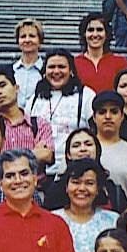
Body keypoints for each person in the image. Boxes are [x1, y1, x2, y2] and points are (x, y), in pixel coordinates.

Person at [24, 50, 94, 178]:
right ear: (44, 71)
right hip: (39, 172)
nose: (56, 71)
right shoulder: (34, 99)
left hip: (74, 171)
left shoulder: (86, 96)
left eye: (61, 67)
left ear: (71, 71)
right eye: (51, 67)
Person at [0, 66, 54, 171]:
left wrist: (3, 158)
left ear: (16, 88)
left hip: (36, 185)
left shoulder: (39, 124)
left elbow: (47, 155)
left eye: (2, 85)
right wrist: (32, 154)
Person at [90, 91, 127, 207]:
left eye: (114, 111)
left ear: (122, 116)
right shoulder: (81, 149)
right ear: (94, 117)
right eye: (102, 112)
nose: (108, 116)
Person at [42, 129, 118, 211]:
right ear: (68, 155)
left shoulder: (111, 189)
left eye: (88, 144)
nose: (83, 149)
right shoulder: (55, 191)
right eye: (76, 145)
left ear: (97, 151)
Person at [74, 13, 127, 95]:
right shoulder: (74, 63)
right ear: (84, 34)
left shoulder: (120, 62)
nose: (95, 34)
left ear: (106, 34)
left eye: (99, 30)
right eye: (90, 30)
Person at [11, 18, 46, 102]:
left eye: (32, 36)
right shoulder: (11, 71)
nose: (27, 40)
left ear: (40, 41)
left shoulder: (46, 71)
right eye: (23, 36)